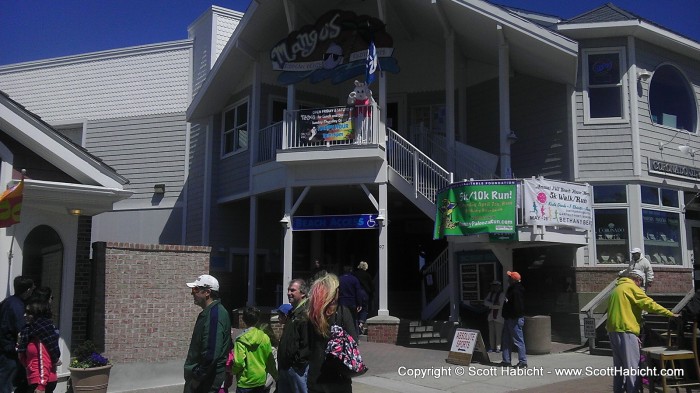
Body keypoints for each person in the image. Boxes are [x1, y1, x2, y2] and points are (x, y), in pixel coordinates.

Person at [606, 269, 678, 393]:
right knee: (632, 367)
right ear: (638, 280)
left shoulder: (616, 289)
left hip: (613, 331)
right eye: (641, 283)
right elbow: (649, 304)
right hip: (626, 330)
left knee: (619, 368)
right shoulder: (631, 288)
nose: (640, 286)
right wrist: (669, 314)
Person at [306, 273, 357, 393]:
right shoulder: (343, 312)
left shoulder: (311, 315)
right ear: (333, 292)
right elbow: (353, 340)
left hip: (316, 375)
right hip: (338, 375)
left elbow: (306, 344)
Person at [184, 274, 232, 393]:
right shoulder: (211, 313)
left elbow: (211, 353)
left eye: (195, 289)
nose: (192, 293)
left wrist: (197, 378)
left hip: (205, 382)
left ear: (207, 292)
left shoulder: (215, 315)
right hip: (204, 379)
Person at [0, 275, 34, 393]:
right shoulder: (17, 307)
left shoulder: (8, 302)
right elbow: (22, 329)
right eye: (32, 288)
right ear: (28, 290)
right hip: (9, 351)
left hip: (5, 348)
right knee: (5, 383)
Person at [231, 307, 278, 393]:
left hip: (245, 381)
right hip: (260, 380)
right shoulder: (265, 337)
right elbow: (269, 360)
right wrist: (275, 375)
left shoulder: (240, 339)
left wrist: (233, 371)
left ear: (243, 319)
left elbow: (239, 362)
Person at [17, 301, 61, 393]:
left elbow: (44, 360)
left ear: (37, 315)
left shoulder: (41, 334)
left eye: (29, 313)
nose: (25, 315)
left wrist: (41, 385)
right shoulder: (30, 332)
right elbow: (24, 358)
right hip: (34, 378)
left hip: (42, 381)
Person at [277, 279, 310, 393]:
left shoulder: (306, 313)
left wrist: (297, 364)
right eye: (288, 290)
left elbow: (306, 343)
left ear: (303, 293)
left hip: (296, 369)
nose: (288, 293)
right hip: (285, 367)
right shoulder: (292, 312)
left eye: (292, 290)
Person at [500, 271, 527, 368]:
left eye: (509, 277)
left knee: (518, 340)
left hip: (514, 319)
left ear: (513, 279)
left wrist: (513, 316)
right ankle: (506, 360)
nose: (507, 279)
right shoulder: (511, 289)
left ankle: (523, 361)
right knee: (506, 340)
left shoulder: (517, 291)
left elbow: (518, 307)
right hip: (508, 318)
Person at [337, 266, 366, 333]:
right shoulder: (354, 279)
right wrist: (359, 303)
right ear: (350, 271)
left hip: (342, 302)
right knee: (353, 319)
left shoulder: (339, 279)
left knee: (342, 320)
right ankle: (355, 336)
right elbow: (358, 292)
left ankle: (342, 334)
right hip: (352, 302)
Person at [352, 262, 373, 335]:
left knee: (356, 308)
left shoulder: (354, 274)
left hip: (356, 293)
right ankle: (360, 324)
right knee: (364, 309)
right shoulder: (367, 275)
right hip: (364, 293)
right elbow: (371, 285)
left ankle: (355, 323)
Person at [483, 280, 504, 352]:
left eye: (496, 286)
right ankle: (492, 347)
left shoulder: (502, 294)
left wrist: (490, 305)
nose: (494, 287)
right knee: (491, 333)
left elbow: (500, 305)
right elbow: (485, 302)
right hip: (491, 316)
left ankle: (498, 348)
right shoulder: (490, 294)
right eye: (493, 286)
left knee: (498, 333)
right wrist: (493, 304)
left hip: (499, 317)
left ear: (499, 287)